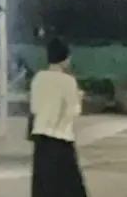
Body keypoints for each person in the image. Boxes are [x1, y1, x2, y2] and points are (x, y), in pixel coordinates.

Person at [30, 39, 87, 197]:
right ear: (65, 59)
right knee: (70, 189)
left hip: (40, 140)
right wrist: (79, 97)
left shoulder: (38, 78)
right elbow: (74, 111)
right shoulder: (68, 81)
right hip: (61, 140)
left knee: (43, 188)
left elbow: (34, 108)